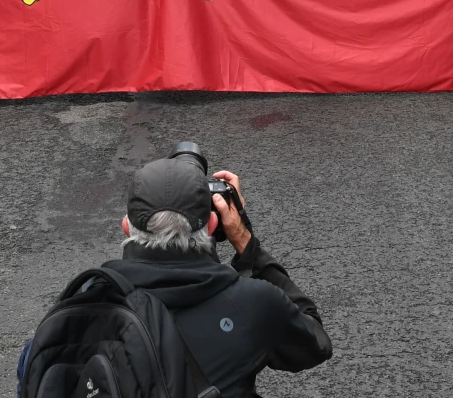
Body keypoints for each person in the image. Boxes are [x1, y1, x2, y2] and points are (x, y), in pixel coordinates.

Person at [20, 154, 332, 395]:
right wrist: (245, 242)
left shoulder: (86, 299)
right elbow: (315, 344)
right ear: (212, 225)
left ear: (126, 227)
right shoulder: (253, 304)